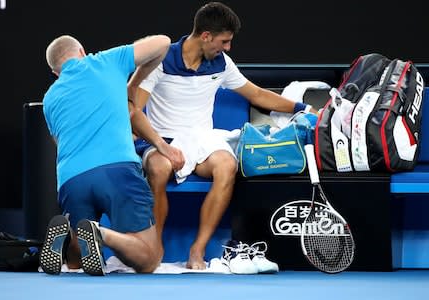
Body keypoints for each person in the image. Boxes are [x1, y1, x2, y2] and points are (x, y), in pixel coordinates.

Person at [131, 2, 317, 271]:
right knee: (159, 169)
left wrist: (301, 108)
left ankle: (198, 249)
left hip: (202, 139)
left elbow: (256, 94)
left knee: (227, 165)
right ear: (205, 36)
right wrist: (156, 143)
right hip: (162, 139)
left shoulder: (221, 63)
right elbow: (135, 107)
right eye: (224, 41)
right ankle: (154, 246)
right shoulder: (161, 61)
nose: (228, 48)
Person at [39, 34, 183, 275]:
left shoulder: (49, 99)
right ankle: (100, 233)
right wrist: (134, 83)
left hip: (71, 180)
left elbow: (59, 142)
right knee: (149, 259)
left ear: (56, 73)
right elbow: (163, 43)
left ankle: (69, 240)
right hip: (117, 171)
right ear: (82, 51)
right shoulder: (107, 61)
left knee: (78, 265)